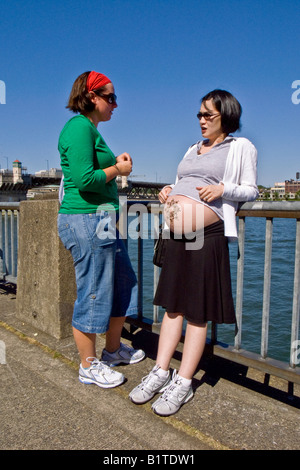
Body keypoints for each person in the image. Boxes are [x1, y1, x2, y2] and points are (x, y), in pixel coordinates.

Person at [129, 89, 258, 415]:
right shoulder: (191, 149)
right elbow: (181, 182)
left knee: (197, 313)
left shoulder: (241, 147)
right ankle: (160, 371)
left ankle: (183, 383)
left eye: (207, 115)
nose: (200, 120)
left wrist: (222, 189)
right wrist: (169, 191)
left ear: (225, 116)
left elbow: (251, 190)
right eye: (199, 114)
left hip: (207, 235)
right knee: (172, 308)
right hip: (176, 237)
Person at [57, 71, 145, 389]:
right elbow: (84, 180)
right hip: (86, 219)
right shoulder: (78, 127)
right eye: (110, 97)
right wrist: (118, 169)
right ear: (92, 97)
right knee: (94, 291)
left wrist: (114, 162)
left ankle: (111, 350)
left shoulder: (91, 130)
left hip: (103, 219)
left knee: (123, 282)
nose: (115, 104)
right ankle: (88, 365)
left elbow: (95, 170)